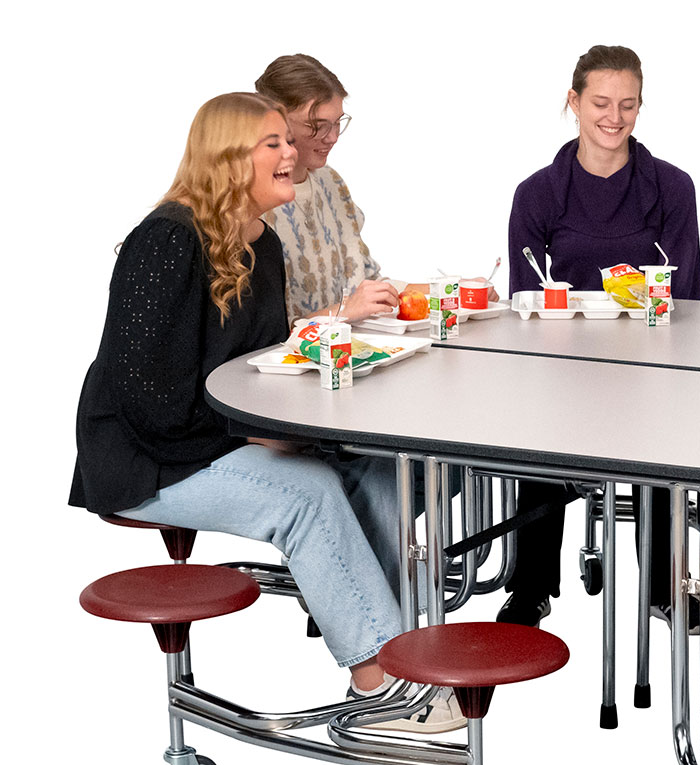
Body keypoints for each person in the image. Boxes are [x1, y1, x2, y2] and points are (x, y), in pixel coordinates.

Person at [70, 92, 461, 732]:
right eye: (272, 143)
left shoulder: (265, 244)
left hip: (217, 437)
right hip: (146, 461)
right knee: (306, 494)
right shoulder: (166, 242)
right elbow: (148, 400)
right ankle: (381, 681)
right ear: (228, 161)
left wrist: (285, 422)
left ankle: (390, 645)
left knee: (385, 475)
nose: (291, 154)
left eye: (289, 139)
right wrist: (254, 437)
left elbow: (262, 364)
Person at [503, 44, 700, 628]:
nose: (613, 117)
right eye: (600, 103)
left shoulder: (672, 187)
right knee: (538, 439)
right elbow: (526, 299)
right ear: (574, 102)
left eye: (628, 104)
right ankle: (530, 585)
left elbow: (683, 297)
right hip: (563, 368)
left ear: (641, 108)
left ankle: (663, 587)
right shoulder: (536, 194)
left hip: (648, 365)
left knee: (657, 444)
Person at [255, 54, 398, 323]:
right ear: (274, 120)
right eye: (317, 126)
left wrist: (451, 289)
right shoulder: (251, 203)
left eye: (337, 123)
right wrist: (343, 312)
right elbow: (260, 335)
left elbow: (368, 285)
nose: (332, 138)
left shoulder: (330, 182)